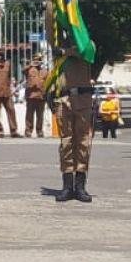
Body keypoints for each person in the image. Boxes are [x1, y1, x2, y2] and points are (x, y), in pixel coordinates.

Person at [52, 39, 95, 203]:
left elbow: (86, 52)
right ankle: (67, 185)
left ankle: (80, 185)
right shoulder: (58, 42)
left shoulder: (87, 43)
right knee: (66, 143)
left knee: (82, 142)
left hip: (83, 99)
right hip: (64, 99)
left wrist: (65, 52)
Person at [23, 54, 49, 137]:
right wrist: (31, 64)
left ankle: (39, 131)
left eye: (39, 60)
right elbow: (23, 71)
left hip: (41, 96)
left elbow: (48, 83)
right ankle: (28, 130)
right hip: (31, 96)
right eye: (35, 60)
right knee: (29, 114)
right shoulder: (29, 69)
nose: (37, 61)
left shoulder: (45, 71)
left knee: (40, 115)